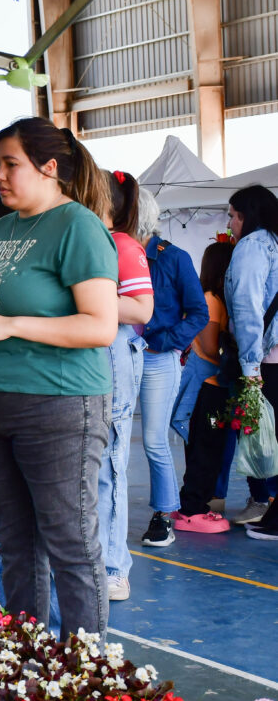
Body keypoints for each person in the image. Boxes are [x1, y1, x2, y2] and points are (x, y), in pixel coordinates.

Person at [0, 117, 117, 639]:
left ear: (49, 167)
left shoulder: (78, 227)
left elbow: (100, 325)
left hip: (57, 404)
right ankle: (28, 654)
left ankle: (85, 667)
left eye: (9, 163)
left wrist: (13, 325)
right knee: (12, 542)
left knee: (68, 540)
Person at [135, 187, 208, 544]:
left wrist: (163, 343)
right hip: (122, 356)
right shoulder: (116, 255)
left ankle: (164, 514)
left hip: (157, 359)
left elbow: (199, 313)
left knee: (153, 440)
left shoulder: (173, 257)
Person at [96, 171, 154, 601]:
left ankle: (115, 567)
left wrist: (88, 296)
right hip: (91, 361)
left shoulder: (122, 245)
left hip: (114, 358)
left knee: (111, 462)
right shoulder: (90, 240)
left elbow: (141, 309)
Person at [224, 186, 278, 539]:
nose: (228, 223)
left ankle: (269, 507)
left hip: (267, 359)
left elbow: (246, 307)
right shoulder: (274, 243)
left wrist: (249, 365)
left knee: (265, 435)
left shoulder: (253, 247)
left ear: (246, 215)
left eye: (231, 215)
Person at [174, 240, 238, 534]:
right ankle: (192, 509)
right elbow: (212, 349)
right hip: (209, 388)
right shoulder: (212, 299)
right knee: (205, 448)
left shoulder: (212, 298)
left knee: (208, 448)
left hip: (213, 387)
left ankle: (196, 504)